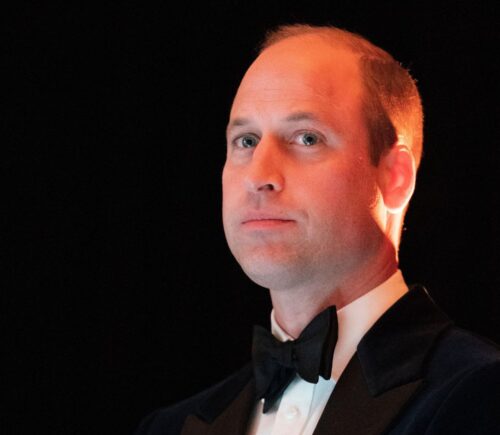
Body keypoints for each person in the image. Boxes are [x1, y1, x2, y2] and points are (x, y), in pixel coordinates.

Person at [135, 24, 500, 435]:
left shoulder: (482, 392)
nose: (260, 175)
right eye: (246, 140)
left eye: (306, 138)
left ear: (395, 176)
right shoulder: (167, 428)